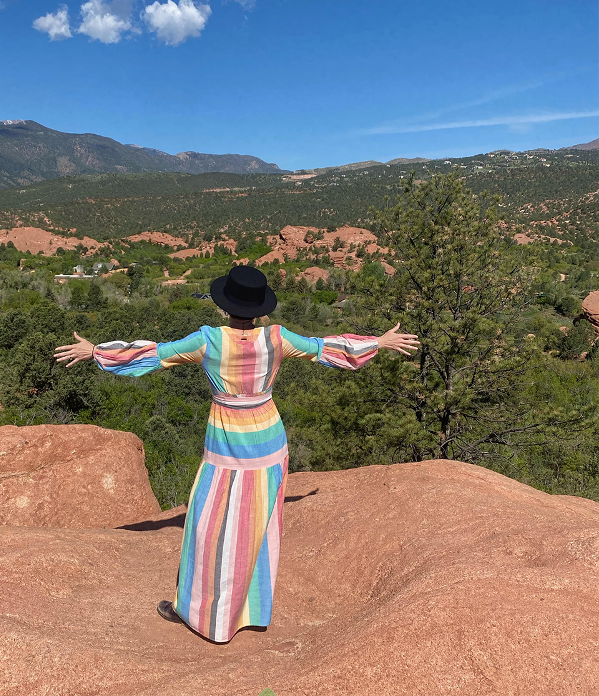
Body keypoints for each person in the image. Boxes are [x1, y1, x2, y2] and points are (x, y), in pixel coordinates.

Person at [54, 265, 419, 643]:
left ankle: (205, 615)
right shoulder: (277, 338)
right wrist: (379, 341)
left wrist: (96, 351)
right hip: (270, 441)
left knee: (207, 525)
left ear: (222, 305)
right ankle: (251, 611)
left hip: (227, 441)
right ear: (261, 310)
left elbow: (154, 355)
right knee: (259, 523)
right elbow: (325, 347)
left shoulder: (207, 341)